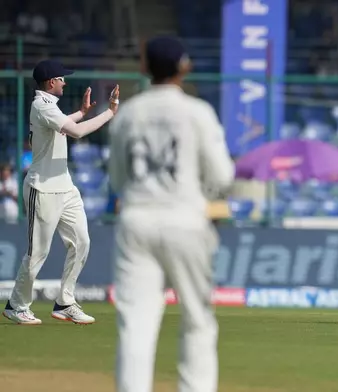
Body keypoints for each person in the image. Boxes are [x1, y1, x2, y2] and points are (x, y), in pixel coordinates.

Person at [107, 36, 235, 392]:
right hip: (185, 221)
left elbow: (117, 179)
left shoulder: (128, 114)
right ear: (185, 67)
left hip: (136, 221)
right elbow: (223, 176)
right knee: (197, 321)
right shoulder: (197, 112)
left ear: (144, 68)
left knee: (136, 325)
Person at [2, 59, 119, 325]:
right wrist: (109, 113)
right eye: (62, 78)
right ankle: (16, 305)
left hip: (64, 187)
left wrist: (81, 111)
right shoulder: (40, 105)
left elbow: (64, 125)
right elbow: (75, 132)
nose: (65, 82)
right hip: (42, 188)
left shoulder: (49, 108)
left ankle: (65, 301)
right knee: (37, 253)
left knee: (82, 242)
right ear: (51, 82)